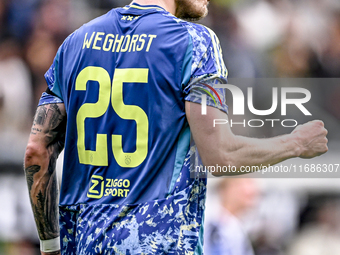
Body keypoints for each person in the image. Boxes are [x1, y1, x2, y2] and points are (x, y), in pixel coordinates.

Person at [24, 0, 328, 254]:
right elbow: (221, 155)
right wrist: (297, 144)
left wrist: (51, 245)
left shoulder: (75, 43)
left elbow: (37, 152)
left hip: (85, 245)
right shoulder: (194, 42)